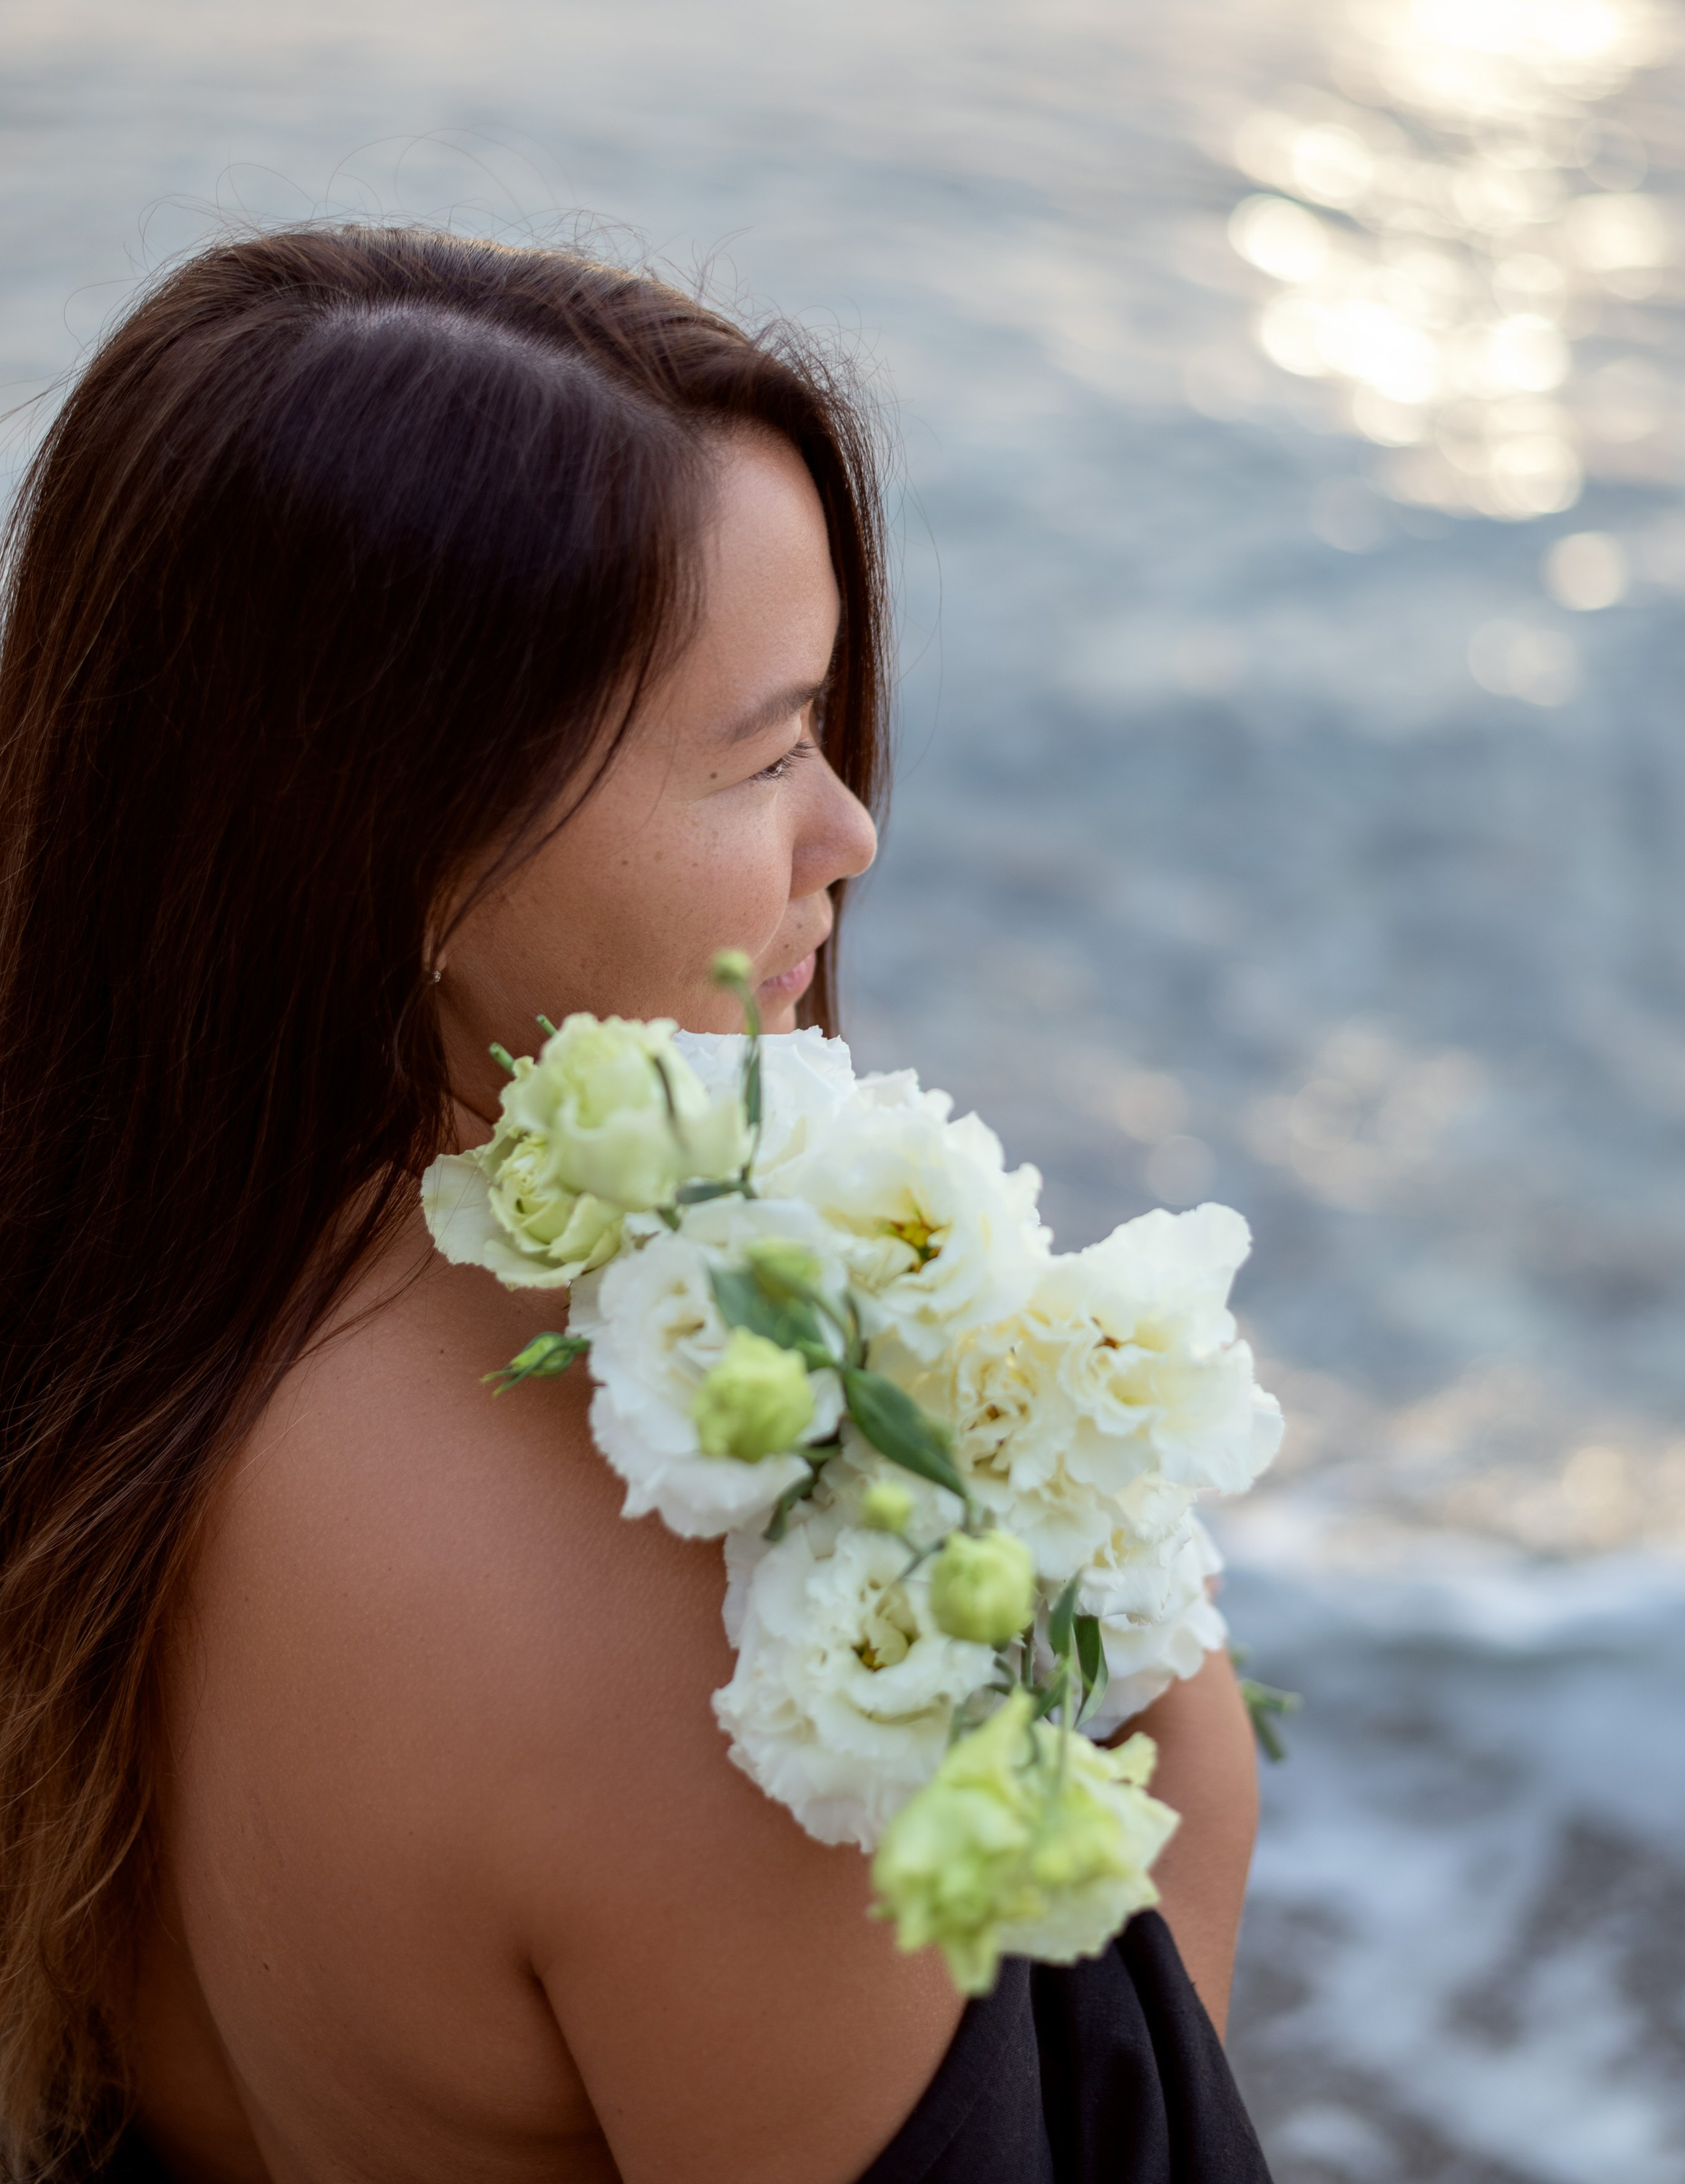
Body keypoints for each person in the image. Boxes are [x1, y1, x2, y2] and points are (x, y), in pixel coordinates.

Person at [0, 227, 1269, 2183]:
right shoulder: (760, 1661)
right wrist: (1184, 1750)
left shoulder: (98, 1345)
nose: (851, 827)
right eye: (767, 752)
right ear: (411, 846)